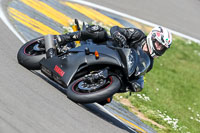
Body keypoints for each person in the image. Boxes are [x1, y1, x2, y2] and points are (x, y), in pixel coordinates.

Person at [56, 25, 172, 92]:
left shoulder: (149, 63)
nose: (159, 48)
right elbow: (115, 28)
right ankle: (63, 39)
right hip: (105, 47)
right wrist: (119, 35)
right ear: (152, 37)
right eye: (158, 44)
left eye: (162, 47)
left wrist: (136, 83)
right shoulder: (137, 35)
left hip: (116, 66)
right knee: (98, 31)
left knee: (106, 100)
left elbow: (137, 74)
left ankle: (93, 84)